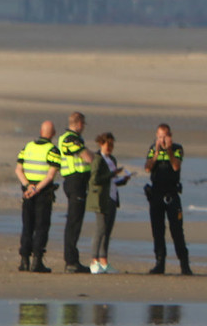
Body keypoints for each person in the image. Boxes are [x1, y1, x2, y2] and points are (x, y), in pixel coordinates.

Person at [144, 123, 192, 275]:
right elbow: (147, 168)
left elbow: (176, 166)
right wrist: (157, 153)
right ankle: (160, 263)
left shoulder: (177, 149)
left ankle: (184, 264)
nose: (162, 139)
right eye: (159, 137)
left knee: (177, 230)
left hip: (172, 195)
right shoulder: (153, 149)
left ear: (170, 136)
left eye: (164, 136)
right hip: (156, 195)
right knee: (157, 231)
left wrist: (169, 149)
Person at [14, 120, 61, 273]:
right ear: (53, 134)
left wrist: (28, 186)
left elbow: (18, 170)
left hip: (27, 191)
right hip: (43, 193)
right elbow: (50, 176)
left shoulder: (27, 147)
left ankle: (24, 260)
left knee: (27, 225)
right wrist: (36, 189)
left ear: (41, 132)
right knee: (41, 226)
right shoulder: (53, 150)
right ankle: (37, 261)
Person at [57, 111, 96, 273]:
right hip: (75, 181)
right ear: (79, 123)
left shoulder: (71, 138)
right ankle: (71, 261)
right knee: (74, 222)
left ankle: (72, 259)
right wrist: (92, 154)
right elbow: (88, 158)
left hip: (76, 182)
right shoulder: (70, 138)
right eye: (83, 124)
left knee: (74, 221)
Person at [88, 132, 130, 274]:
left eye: (112, 144)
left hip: (112, 197)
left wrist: (122, 180)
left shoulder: (112, 159)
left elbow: (111, 181)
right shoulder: (97, 158)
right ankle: (94, 260)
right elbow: (95, 180)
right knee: (100, 229)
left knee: (108, 230)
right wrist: (112, 174)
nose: (110, 147)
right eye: (108, 144)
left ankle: (104, 260)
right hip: (100, 199)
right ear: (101, 143)